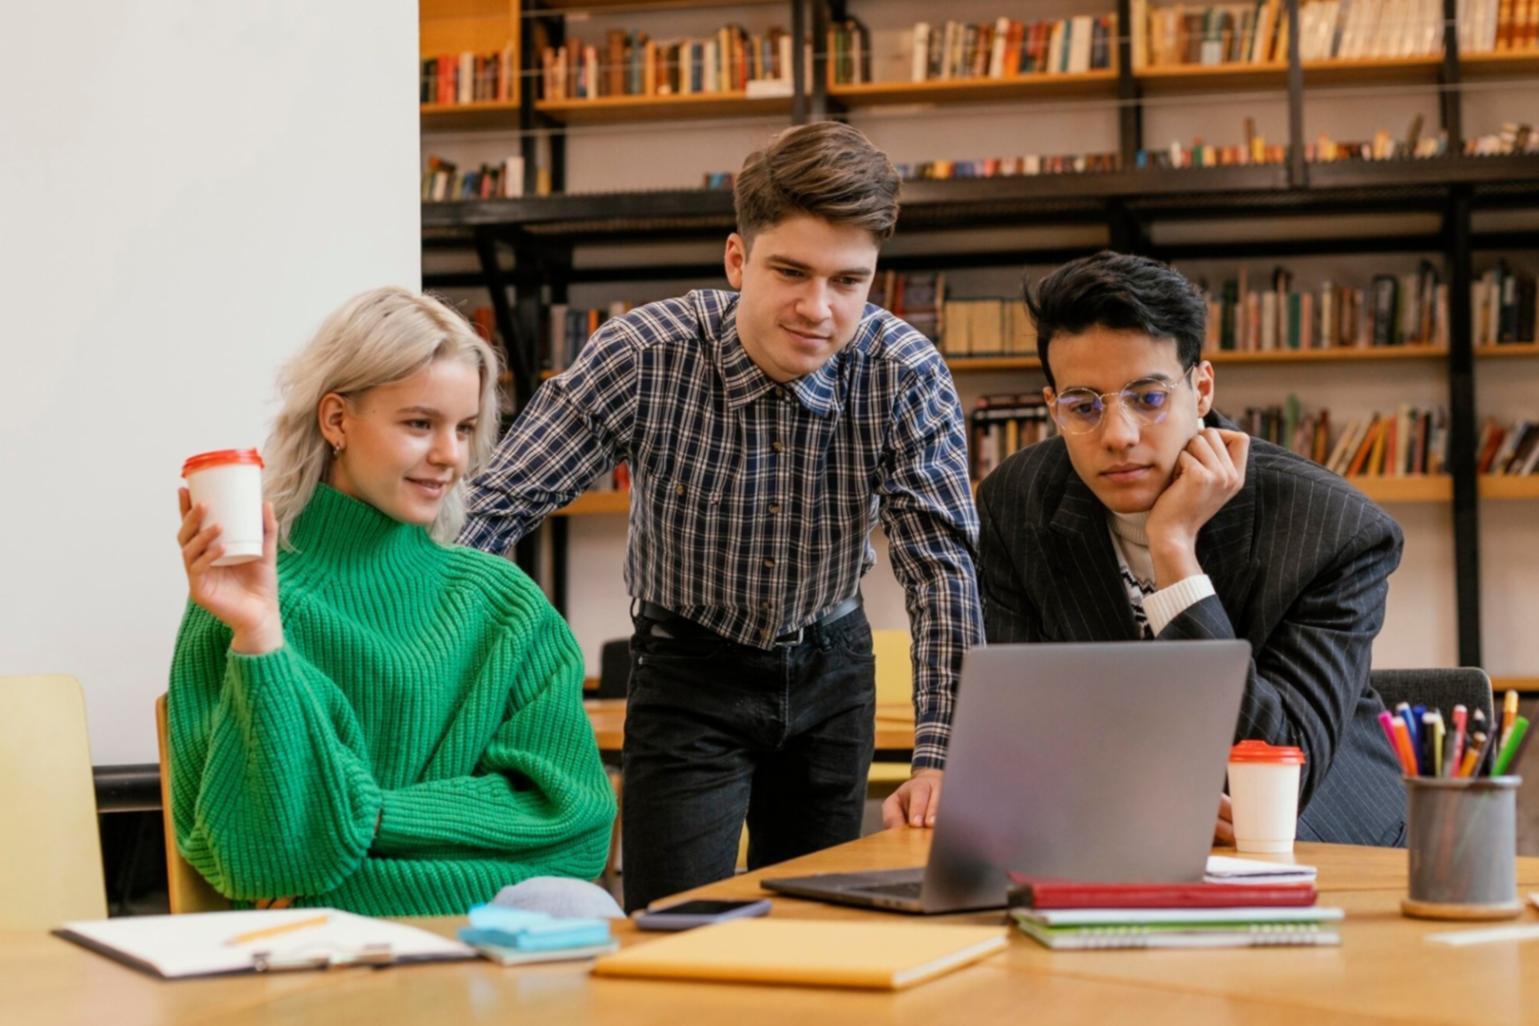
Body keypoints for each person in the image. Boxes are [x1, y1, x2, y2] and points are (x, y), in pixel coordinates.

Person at [458, 122, 985, 911]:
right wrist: (427, 673)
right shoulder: (643, 354)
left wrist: (945, 755)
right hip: (687, 668)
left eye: (848, 281)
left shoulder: (904, 374)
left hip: (831, 671)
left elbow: (940, 569)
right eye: (790, 272)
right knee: (680, 924)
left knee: (819, 926)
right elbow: (495, 507)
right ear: (737, 259)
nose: (818, 309)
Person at [168, 286, 619, 917]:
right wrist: (260, 637)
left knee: (581, 907)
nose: (450, 456)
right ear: (336, 420)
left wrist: (361, 818)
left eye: (463, 429)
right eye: (419, 423)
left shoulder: (506, 608)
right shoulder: (246, 604)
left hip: (488, 951)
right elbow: (260, 862)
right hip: (325, 970)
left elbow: (575, 832)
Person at [976, 251, 1406, 846]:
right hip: (1117, 831)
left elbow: (1277, 768)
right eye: (1083, 407)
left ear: (1200, 389)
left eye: (1148, 398)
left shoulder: (1332, 527)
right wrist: (1148, 800)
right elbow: (1016, 733)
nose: (1118, 436)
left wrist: (1173, 550)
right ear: (1054, 409)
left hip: (1320, 837)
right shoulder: (1015, 505)